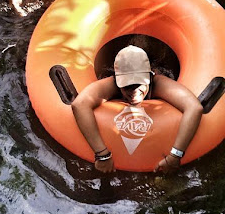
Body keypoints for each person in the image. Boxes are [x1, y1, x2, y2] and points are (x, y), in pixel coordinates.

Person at [71, 46, 204, 174]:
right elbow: (79, 104)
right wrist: (102, 155)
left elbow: (194, 107)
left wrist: (175, 156)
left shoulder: (158, 84)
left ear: (150, 76)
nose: (134, 92)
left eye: (138, 84)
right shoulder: (111, 85)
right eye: (127, 86)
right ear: (117, 80)